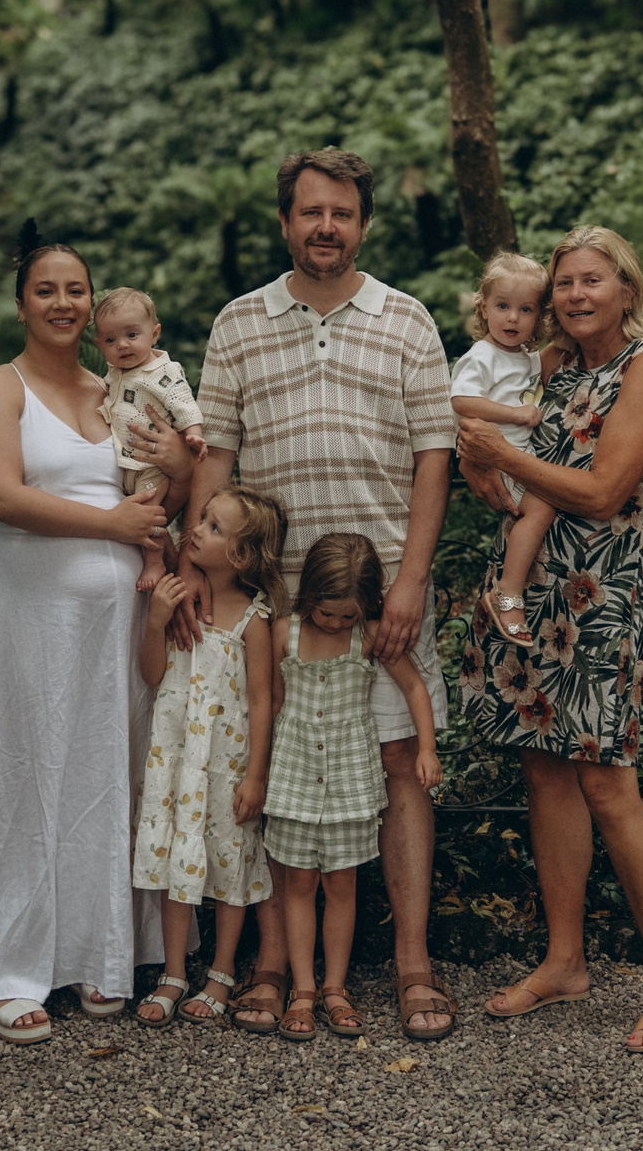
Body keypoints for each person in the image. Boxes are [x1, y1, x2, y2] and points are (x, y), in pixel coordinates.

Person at [151, 147, 459, 1044]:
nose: (328, 226)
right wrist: (204, 575)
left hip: (380, 596)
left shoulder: (407, 321)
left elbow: (433, 457)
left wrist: (408, 582)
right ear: (285, 220)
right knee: (272, 771)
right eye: (311, 211)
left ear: (363, 223)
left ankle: (410, 963)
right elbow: (216, 457)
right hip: (272, 604)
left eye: (344, 213)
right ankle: (273, 963)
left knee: (399, 766)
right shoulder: (240, 322)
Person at [0, 232, 193, 1044]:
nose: (63, 302)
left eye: (77, 289)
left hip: (118, 620)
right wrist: (111, 521)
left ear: (95, 304)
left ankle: (99, 951)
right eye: (46, 289)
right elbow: (1, 497)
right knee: (25, 774)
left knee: (104, 775)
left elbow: (166, 485)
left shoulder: (118, 386)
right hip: (29, 616)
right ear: (22, 303)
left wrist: (174, 477)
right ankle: (6, 965)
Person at [455, 225, 643, 1055]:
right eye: (564, 282)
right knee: (545, 772)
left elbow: (603, 493)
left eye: (590, 280)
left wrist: (503, 454)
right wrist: (484, 471)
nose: (573, 295)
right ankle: (565, 960)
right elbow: (524, 477)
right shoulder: (558, 370)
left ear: (626, 288)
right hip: (535, 594)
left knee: (609, 783)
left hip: (603, 599)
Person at [264, 534, 442, 1042]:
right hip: (295, 778)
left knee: (342, 886)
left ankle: (336, 988)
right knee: (297, 884)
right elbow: (272, 703)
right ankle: (302, 989)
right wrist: (256, 768)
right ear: (309, 596)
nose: (337, 624)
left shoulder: (367, 635)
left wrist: (426, 749)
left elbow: (413, 687)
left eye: (348, 615)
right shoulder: (285, 633)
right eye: (327, 614)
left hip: (349, 783)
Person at [129, 488, 285, 1029]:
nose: (195, 530)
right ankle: (174, 973)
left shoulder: (254, 620)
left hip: (226, 766)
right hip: (174, 762)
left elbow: (265, 700)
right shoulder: (176, 598)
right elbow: (151, 675)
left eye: (214, 528)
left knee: (230, 864)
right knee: (178, 856)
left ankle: (220, 973)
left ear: (241, 556)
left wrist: (256, 775)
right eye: (202, 519)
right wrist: (156, 620)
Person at [450, 252, 555, 648]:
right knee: (541, 508)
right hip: (502, 461)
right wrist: (516, 414)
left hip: (520, 461)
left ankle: (511, 588)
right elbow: (462, 401)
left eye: (525, 309)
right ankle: (508, 594)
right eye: (503, 306)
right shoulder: (482, 356)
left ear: (539, 316)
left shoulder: (528, 359)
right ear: (484, 309)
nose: (512, 318)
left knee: (542, 508)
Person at [93, 286, 207, 592]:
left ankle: (155, 562)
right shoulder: (115, 373)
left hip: (153, 465)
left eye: (132, 335)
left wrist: (193, 435)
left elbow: (184, 404)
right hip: (126, 463)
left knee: (149, 514)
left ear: (154, 333)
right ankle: (160, 555)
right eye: (111, 340)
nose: (123, 345)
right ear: (99, 344)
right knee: (135, 510)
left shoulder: (163, 372)